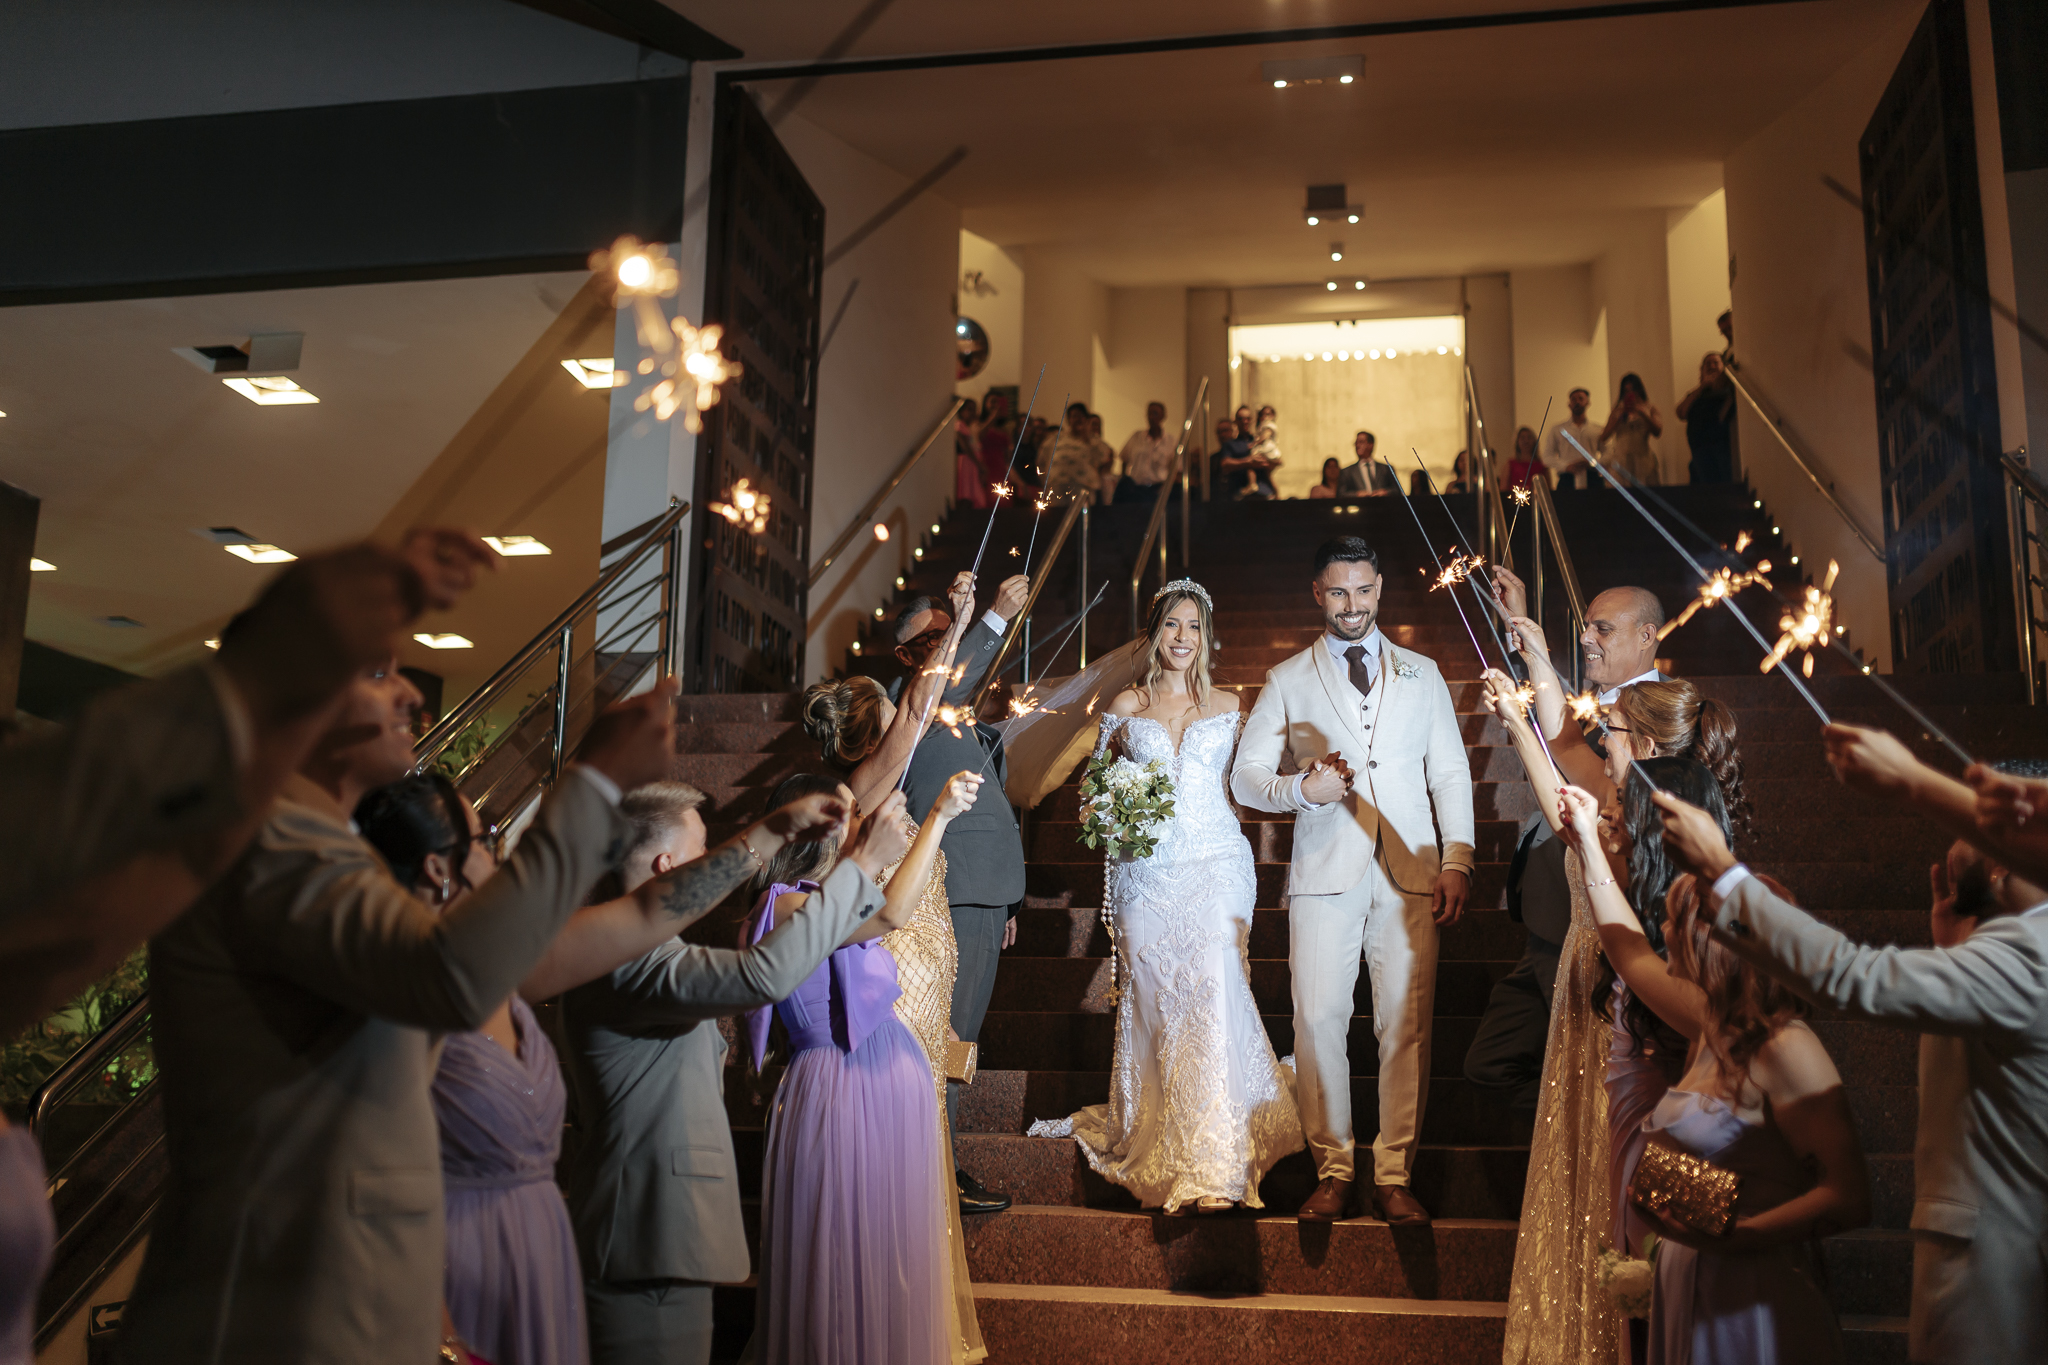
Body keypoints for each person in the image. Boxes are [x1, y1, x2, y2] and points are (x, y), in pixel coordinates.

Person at [112, 656, 827, 1365]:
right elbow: (453, 973)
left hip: (523, 1255)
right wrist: (594, 780)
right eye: (376, 670)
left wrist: (765, 838)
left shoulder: (403, 910)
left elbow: (638, 916)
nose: (408, 691)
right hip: (315, 1274)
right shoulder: (283, 854)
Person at [0, 528, 493, 1036]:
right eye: (376, 674)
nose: (411, 696)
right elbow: (445, 981)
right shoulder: (277, 840)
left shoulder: (251, 835)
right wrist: (261, 674)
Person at [1715, 726, 2048, 1362]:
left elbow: (1850, 975)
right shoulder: (2011, 946)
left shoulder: (2031, 953)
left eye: (1974, 822)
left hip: (1996, 1270)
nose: (1953, 842)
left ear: (2004, 846)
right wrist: (1954, 956)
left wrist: (1723, 877)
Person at [552, 781, 910, 1365]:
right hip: (645, 1235)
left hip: (653, 1237)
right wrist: (861, 864)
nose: (716, 868)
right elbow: (760, 977)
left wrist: (786, 830)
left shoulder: (624, 946)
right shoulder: (626, 955)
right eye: (703, 852)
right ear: (667, 866)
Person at [1560, 772, 1866, 1364]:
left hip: (1751, 1293)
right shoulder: (1708, 1032)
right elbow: (1627, 950)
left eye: (1674, 922)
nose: (1662, 931)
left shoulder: (1784, 1046)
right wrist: (1587, 844)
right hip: (1692, 1283)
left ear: (1710, 939)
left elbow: (1849, 1197)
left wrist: (1744, 1232)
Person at [1029, 581, 1304, 1211]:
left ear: (1207, 636)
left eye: (1194, 626)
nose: (1183, 637)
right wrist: (1114, 811)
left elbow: (1253, 781)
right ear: (1154, 634)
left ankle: (1219, 1162)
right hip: (1145, 870)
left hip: (1216, 863)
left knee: (1213, 988)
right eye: (1172, 625)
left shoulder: (1232, 704)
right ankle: (1165, 1135)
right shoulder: (1127, 703)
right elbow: (1093, 788)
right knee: (1157, 997)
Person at [1231, 537, 1474, 1224]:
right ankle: (1333, 1169)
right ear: (1318, 593)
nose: (1352, 605)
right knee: (1317, 1022)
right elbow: (1246, 776)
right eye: (1338, 592)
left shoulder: (1424, 673)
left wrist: (1457, 859)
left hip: (1412, 872)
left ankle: (1394, 1174)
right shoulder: (1287, 677)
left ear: (1380, 587)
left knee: (1406, 1026)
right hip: (1323, 873)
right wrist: (1299, 789)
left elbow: (1449, 772)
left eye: (1363, 590)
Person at [745, 769, 981, 1365]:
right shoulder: (786, 905)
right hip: (840, 1088)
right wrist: (938, 816)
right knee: (840, 1255)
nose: (864, 821)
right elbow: (891, 914)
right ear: (816, 830)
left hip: (888, 1087)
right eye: (852, 813)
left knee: (889, 1258)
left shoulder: (827, 898)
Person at [872, 571, 1029, 1215]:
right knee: (950, 1033)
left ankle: (934, 1160)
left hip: (983, 891)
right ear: (906, 656)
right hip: (950, 889)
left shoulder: (958, 714)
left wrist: (1006, 900)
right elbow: (948, 681)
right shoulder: (904, 708)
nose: (945, 648)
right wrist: (988, 618)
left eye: (949, 636)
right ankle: (936, 1168)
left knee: (959, 1032)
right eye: (932, 641)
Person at [1492, 566, 1665, 708]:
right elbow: (1547, 728)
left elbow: (1562, 739)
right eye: (1586, 626)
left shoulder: (1668, 716)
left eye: (1603, 629)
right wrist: (1515, 621)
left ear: (1645, 637)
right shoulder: (1587, 702)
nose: (1584, 638)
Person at [1676, 353, 1736, 484]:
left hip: (1722, 446)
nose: (1712, 366)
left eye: (1716, 363)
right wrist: (1702, 387)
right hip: (1699, 448)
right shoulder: (1696, 394)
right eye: (1708, 364)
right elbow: (1681, 412)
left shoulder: (1728, 391)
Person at [1599, 373, 1663, 486]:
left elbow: (1657, 431)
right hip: (1621, 460)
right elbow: (1604, 437)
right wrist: (1619, 417)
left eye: (1633, 390)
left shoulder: (1649, 409)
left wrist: (1642, 414)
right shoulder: (1617, 411)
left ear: (1639, 390)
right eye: (1626, 391)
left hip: (1643, 458)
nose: (1630, 394)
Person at [1116, 401, 1179, 504]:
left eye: (1155, 413)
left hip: (1159, 489)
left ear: (1163, 417)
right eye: (1149, 413)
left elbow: (1176, 468)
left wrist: (1167, 487)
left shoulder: (1171, 441)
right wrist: (1125, 480)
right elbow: (1124, 458)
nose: (1151, 417)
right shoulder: (1136, 437)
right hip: (1136, 489)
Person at [1541, 388, 1599, 490]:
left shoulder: (1597, 430)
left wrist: (1593, 463)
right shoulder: (1557, 430)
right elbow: (1547, 456)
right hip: (1567, 478)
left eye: (1580, 398)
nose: (1577, 402)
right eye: (1573, 399)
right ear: (1569, 404)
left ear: (1587, 402)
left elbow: (1608, 452)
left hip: (1592, 477)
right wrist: (1566, 466)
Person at [1038, 402, 1098, 501]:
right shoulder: (1056, 438)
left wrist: (1086, 438)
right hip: (1057, 486)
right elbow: (1041, 460)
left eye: (1080, 416)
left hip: (1083, 485)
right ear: (1069, 419)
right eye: (1074, 416)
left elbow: (1103, 459)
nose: (1077, 419)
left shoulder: (1093, 440)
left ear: (1086, 419)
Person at [1335, 430, 1398, 498]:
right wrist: (1357, 494)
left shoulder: (1386, 469)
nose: (1357, 445)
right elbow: (1340, 494)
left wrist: (1385, 492)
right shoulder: (1347, 472)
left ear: (1371, 445)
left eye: (1361, 442)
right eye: (1356, 443)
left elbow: (1397, 490)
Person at [954, 398, 990, 509]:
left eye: (974, 410)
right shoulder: (959, 425)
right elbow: (966, 447)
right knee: (966, 491)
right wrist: (979, 464)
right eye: (969, 410)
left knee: (975, 491)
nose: (973, 413)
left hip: (973, 462)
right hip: (966, 462)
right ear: (961, 411)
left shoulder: (972, 427)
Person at [1211, 416, 1257, 499]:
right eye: (1219, 432)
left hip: (1243, 496)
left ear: (1233, 431)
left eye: (1225, 430)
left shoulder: (1243, 449)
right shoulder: (1213, 458)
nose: (1222, 435)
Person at [1085, 412, 1118, 505]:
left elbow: (1107, 468)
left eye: (1098, 425)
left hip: (1102, 486)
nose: (1096, 427)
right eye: (1093, 424)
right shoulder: (1082, 446)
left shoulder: (1105, 447)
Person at [1505, 426, 1547, 491]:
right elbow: (1503, 489)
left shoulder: (1542, 465)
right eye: (1522, 438)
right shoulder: (1510, 464)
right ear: (1517, 442)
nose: (1526, 441)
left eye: (1529, 438)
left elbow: (1547, 488)